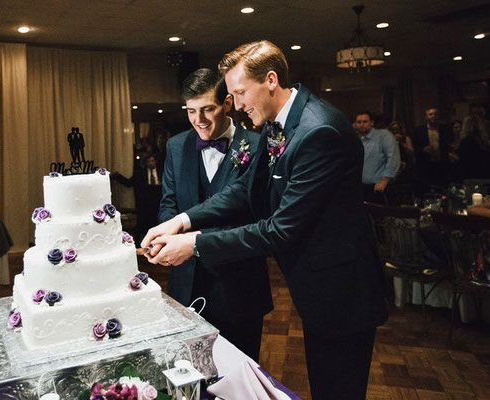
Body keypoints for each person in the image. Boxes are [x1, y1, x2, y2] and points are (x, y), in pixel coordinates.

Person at [141, 40, 388, 400]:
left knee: (338, 390)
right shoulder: (278, 123)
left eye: (240, 92)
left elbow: (279, 230)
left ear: (270, 80)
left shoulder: (319, 131)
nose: (236, 104)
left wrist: (194, 244)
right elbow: (244, 191)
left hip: (343, 292)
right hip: (317, 287)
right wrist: (181, 220)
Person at [159, 68, 271, 361]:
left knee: (239, 376)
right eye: (191, 111)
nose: (199, 120)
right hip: (186, 283)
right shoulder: (176, 146)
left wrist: (194, 242)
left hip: (239, 286)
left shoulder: (258, 146)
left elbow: (253, 218)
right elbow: (169, 204)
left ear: (228, 104)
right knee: (189, 375)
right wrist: (166, 240)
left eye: (208, 109)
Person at [111, 154, 162, 241]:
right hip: (145, 203)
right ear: (146, 163)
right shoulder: (140, 173)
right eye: (149, 161)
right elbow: (129, 183)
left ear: (156, 162)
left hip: (158, 202)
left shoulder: (161, 172)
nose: (151, 163)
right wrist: (117, 176)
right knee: (143, 225)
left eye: (152, 161)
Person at [355, 112, 400, 204]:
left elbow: (393, 158)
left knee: (380, 217)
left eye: (365, 122)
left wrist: (385, 179)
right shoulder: (354, 139)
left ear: (372, 123)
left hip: (379, 187)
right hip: (359, 187)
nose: (362, 125)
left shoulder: (384, 135)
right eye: (359, 122)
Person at [412, 108, 453, 192]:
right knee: (426, 190)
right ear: (426, 117)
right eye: (430, 114)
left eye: (435, 114)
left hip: (442, 165)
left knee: (442, 189)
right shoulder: (419, 130)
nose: (433, 116)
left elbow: (449, 144)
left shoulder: (445, 129)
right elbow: (414, 147)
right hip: (425, 165)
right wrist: (423, 149)